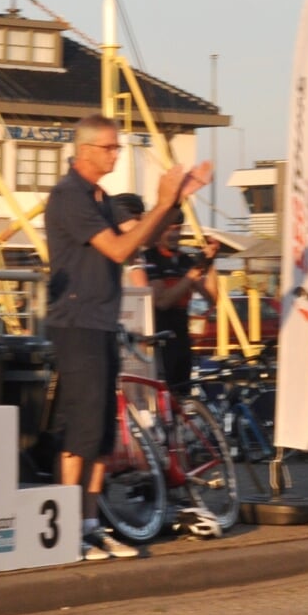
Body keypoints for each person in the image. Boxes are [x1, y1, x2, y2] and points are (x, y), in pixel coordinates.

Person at [45, 115, 211, 561]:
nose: (116, 154)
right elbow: (119, 250)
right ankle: (66, 530)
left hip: (100, 322)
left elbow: (134, 238)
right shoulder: (69, 196)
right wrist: (161, 201)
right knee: (81, 430)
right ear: (84, 151)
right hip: (76, 323)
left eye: (116, 147)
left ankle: (90, 522)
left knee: (101, 432)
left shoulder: (100, 198)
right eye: (108, 147)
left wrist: (173, 201)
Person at [140, 218, 219, 393]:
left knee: (183, 389)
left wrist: (209, 263)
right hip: (160, 328)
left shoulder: (185, 260)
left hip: (182, 330)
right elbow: (162, 302)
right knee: (165, 390)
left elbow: (212, 297)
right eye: (169, 229)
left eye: (178, 229)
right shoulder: (150, 258)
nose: (175, 234)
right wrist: (192, 275)